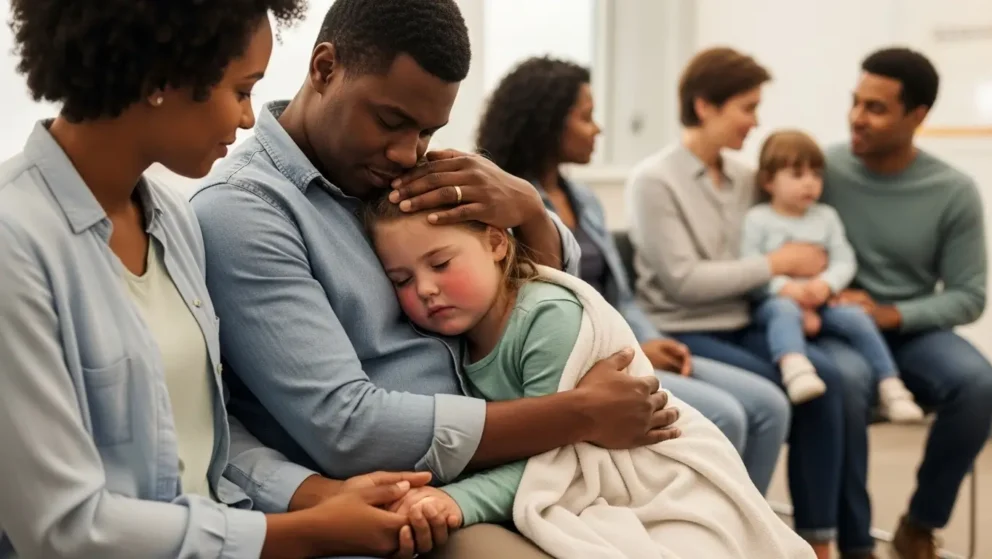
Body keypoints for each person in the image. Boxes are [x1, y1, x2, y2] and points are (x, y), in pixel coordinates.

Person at [190, 1, 679, 556]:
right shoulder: (245, 213)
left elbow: (534, 290)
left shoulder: (402, 173)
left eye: (426, 131)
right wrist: (580, 415)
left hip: (530, 454)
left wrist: (528, 211)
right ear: (325, 69)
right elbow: (349, 429)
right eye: (392, 121)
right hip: (425, 501)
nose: (406, 151)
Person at [0, 1, 448, 557]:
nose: (246, 117)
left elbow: (200, 432)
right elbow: (63, 526)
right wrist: (306, 533)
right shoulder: (14, 243)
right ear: (162, 78)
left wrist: (320, 495)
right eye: (242, 90)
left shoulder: (174, 220)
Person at [360, 196, 813, 559]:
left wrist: (458, 502)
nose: (424, 289)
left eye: (440, 264)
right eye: (401, 279)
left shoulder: (546, 318)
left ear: (497, 243)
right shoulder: (450, 337)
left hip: (652, 466)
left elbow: (550, 458)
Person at [474, 56, 790, 494]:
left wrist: (647, 337)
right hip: (583, 356)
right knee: (726, 415)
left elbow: (620, 296)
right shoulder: (506, 202)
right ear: (546, 124)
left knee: (770, 406)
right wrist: (636, 345)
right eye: (586, 118)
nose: (598, 129)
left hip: (626, 338)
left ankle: (740, 532)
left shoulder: (584, 199)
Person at [625, 46, 868, 559]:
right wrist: (779, 266)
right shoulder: (654, 180)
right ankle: (739, 539)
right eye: (747, 108)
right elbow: (684, 283)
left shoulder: (743, 177)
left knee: (825, 383)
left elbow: (777, 244)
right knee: (771, 402)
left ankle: (818, 540)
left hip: (743, 320)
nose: (755, 123)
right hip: (687, 328)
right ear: (705, 105)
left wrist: (806, 286)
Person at [817, 47, 992, 559]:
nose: (857, 118)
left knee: (978, 384)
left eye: (875, 108)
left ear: (917, 116)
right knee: (846, 384)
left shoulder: (953, 191)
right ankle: (853, 541)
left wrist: (892, 314)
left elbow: (970, 295)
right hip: (838, 327)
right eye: (855, 102)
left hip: (910, 332)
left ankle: (920, 525)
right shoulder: (824, 168)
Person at [741, 129, 923, 423]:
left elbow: (843, 259)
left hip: (822, 299)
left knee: (856, 317)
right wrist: (785, 287)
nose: (810, 183)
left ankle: (891, 386)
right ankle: (795, 368)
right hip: (776, 301)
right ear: (768, 181)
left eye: (816, 174)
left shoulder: (825, 217)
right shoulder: (758, 219)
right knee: (784, 311)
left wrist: (826, 284)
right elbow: (750, 266)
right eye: (797, 174)